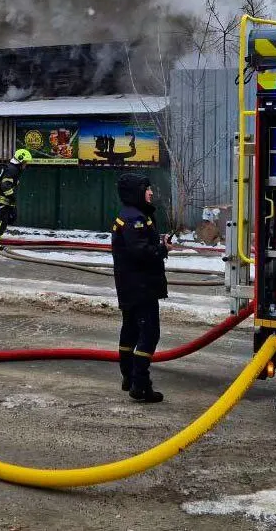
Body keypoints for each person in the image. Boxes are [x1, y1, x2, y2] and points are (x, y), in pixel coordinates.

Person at [111, 172, 170, 403]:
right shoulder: (135, 218)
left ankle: (129, 377)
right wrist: (162, 250)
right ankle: (140, 384)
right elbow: (140, 252)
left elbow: (138, 246)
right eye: (147, 188)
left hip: (130, 285)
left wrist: (157, 243)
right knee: (149, 334)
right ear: (136, 191)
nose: (151, 192)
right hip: (141, 286)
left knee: (131, 331)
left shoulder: (131, 215)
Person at [0, 148, 32, 248]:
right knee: (2, 222)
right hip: (2, 200)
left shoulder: (13, 168)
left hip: (3, 200)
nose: (26, 164)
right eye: (25, 162)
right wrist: (11, 196)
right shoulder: (13, 170)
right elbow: (5, 185)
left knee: (5, 220)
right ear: (20, 161)